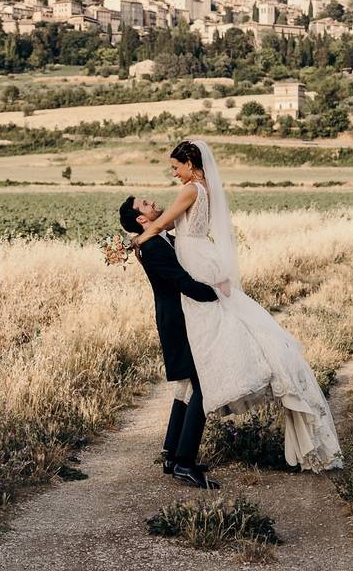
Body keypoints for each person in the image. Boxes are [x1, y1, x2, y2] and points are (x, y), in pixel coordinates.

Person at [126, 140, 342, 472]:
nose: (173, 173)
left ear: (189, 162)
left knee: (208, 358)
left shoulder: (190, 190)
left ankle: (180, 454)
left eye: (175, 166)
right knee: (204, 366)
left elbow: (159, 224)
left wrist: (133, 242)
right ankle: (177, 454)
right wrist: (141, 238)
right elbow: (162, 225)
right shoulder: (202, 188)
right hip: (198, 261)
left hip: (196, 261)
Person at [119, 197, 222, 489]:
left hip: (182, 319)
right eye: (145, 203)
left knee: (188, 385)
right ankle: (185, 462)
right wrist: (219, 293)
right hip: (177, 323)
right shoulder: (152, 247)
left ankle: (171, 455)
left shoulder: (162, 238)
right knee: (203, 384)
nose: (152, 201)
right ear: (141, 219)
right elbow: (182, 282)